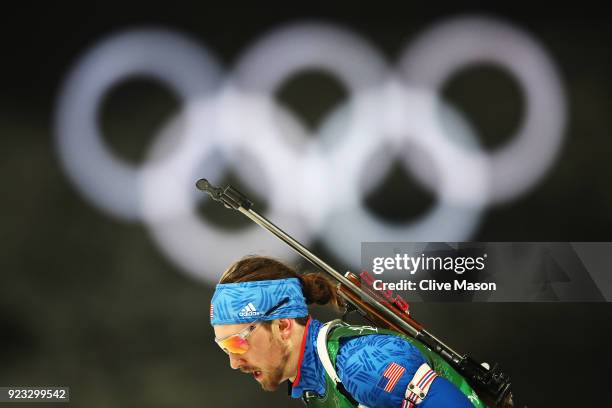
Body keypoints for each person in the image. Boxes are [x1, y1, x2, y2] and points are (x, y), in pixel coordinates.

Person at [210, 255, 481, 407]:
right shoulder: (314, 384)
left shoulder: (360, 362)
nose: (233, 363)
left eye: (237, 343)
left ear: (282, 326)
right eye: (224, 349)